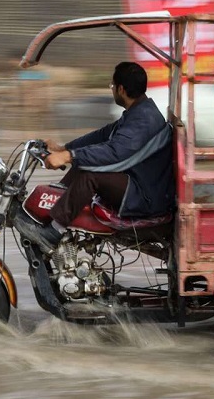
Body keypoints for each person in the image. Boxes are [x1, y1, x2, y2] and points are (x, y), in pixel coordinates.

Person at [14, 61, 175, 255]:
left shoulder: (143, 119)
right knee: (84, 163)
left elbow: (115, 153)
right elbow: (103, 135)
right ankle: (53, 215)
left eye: (112, 86)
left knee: (90, 175)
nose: (112, 90)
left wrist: (69, 156)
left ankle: (52, 233)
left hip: (145, 196)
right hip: (140, 182)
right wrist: (65, 148)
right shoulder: (139, 112)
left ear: (121, 89)